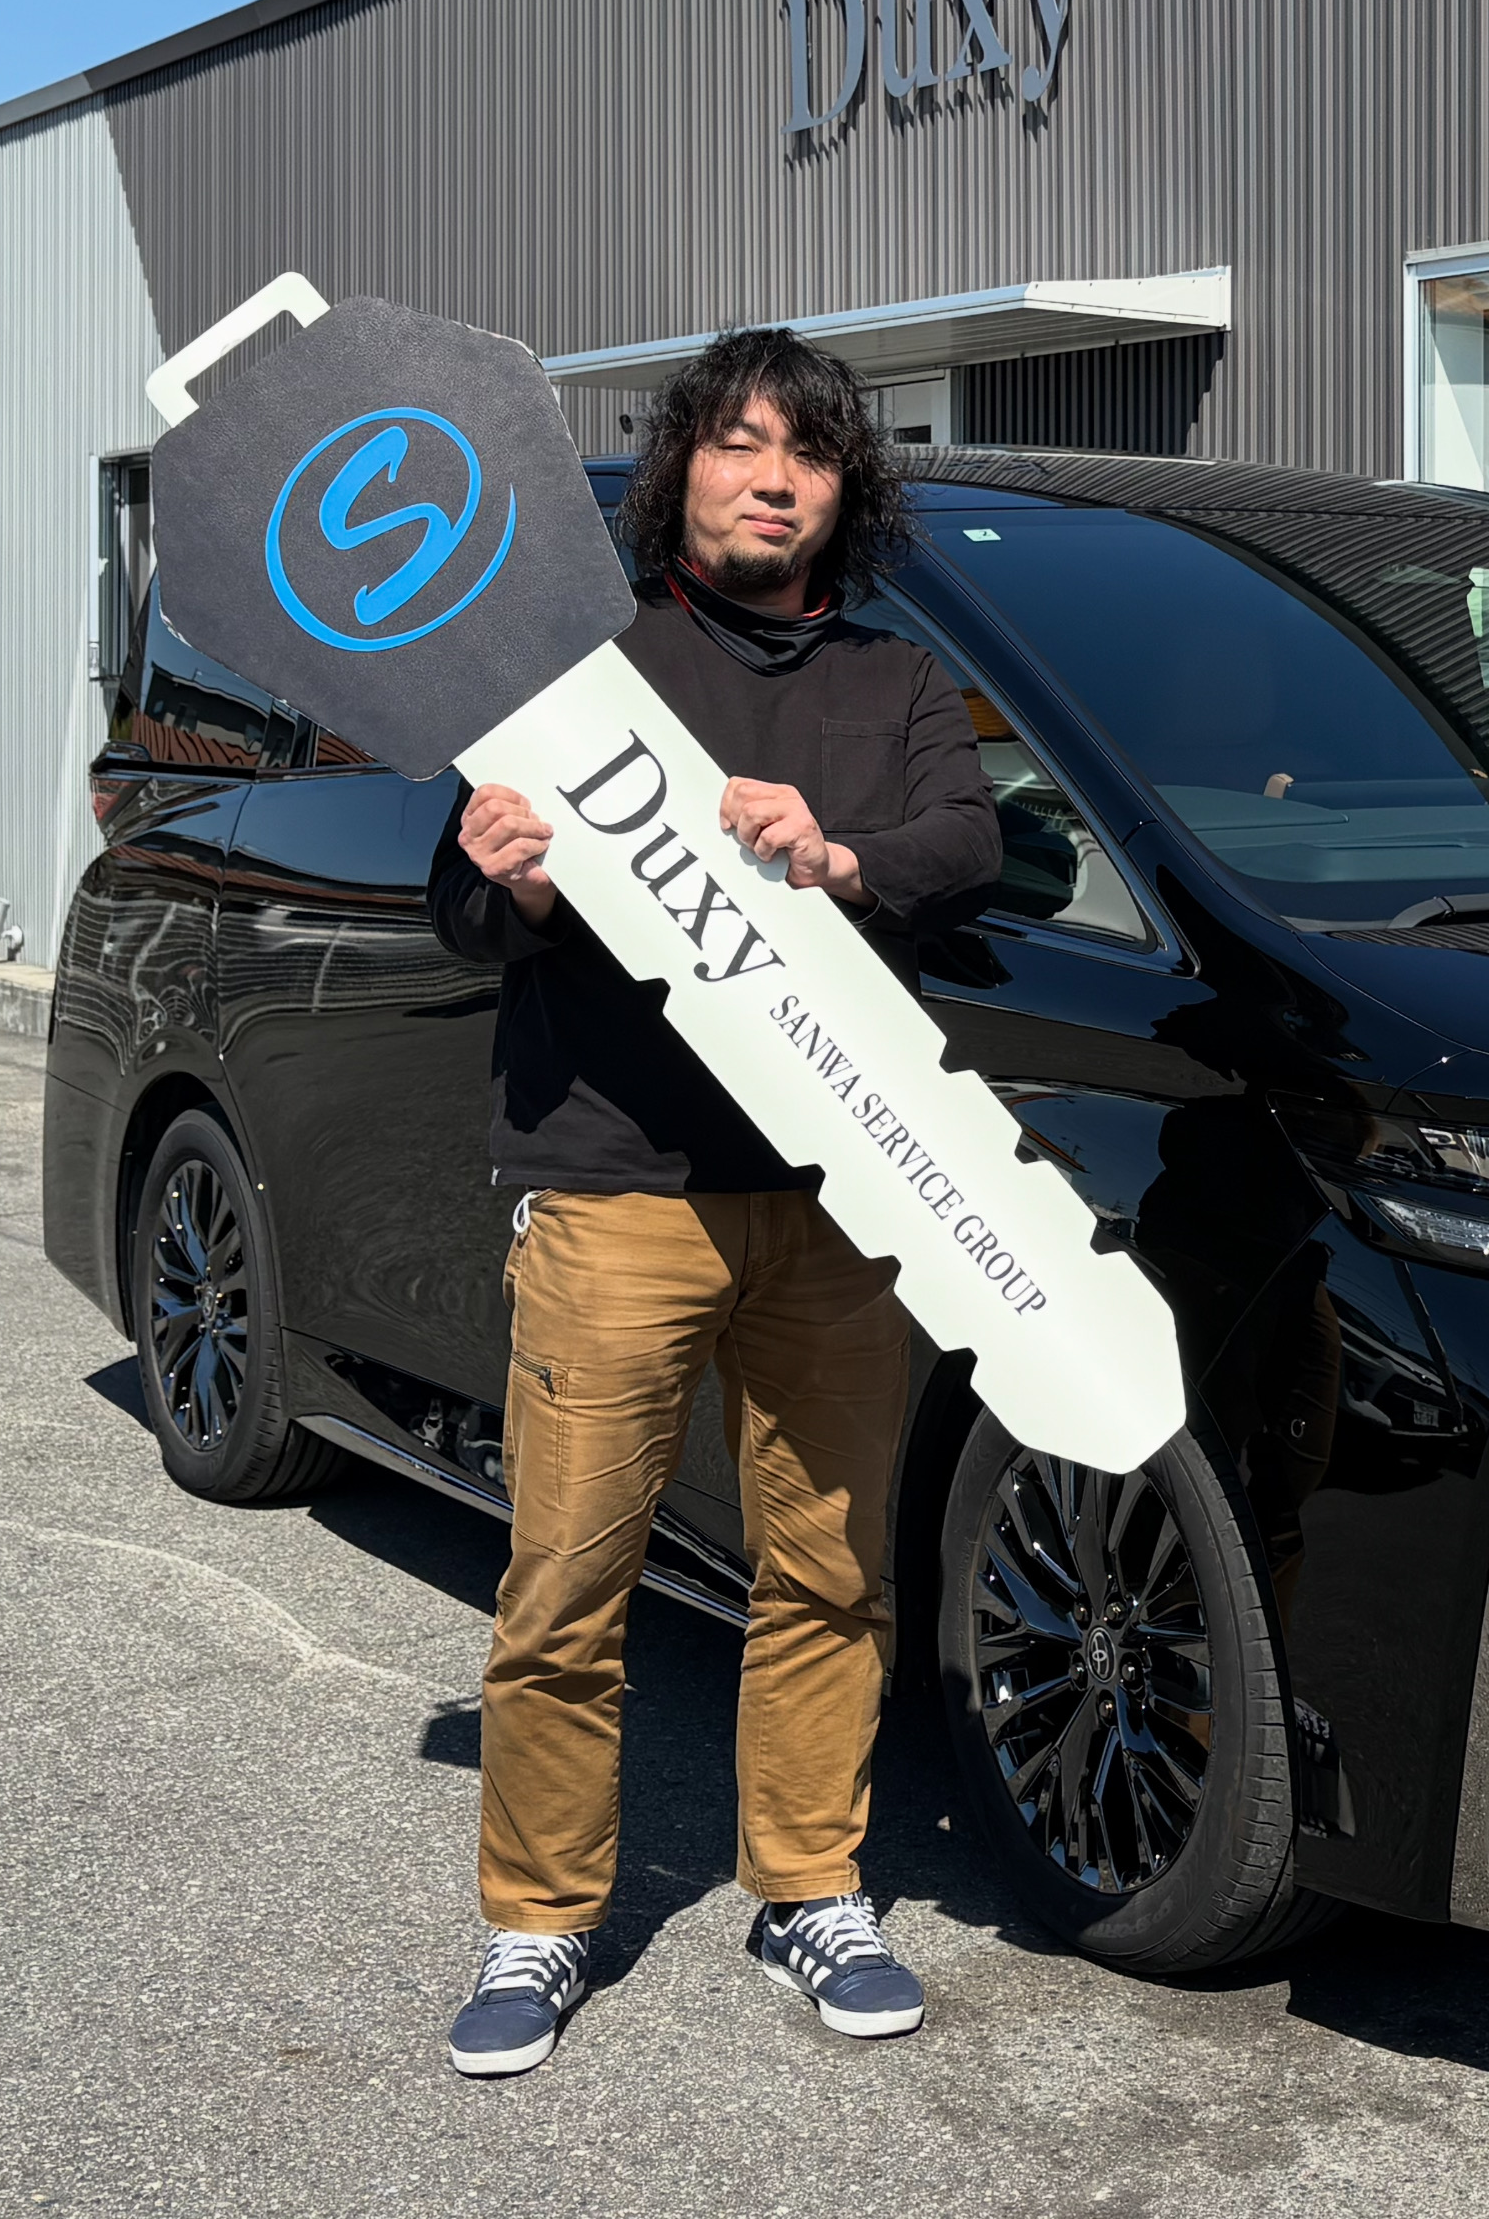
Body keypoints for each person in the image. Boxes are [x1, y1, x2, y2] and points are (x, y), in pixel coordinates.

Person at [423, 326, 1001, 2078]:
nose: (771, 479)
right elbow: (462, 914)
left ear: (846, 491)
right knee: (566, 1579)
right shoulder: (578, 672)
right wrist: (510, 881)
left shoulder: (895, 682)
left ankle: (807, 1889)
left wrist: (841, 857)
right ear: (680, 465)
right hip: (615, 1185)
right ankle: (539, 1920)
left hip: (838, 1189)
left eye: (808, 455)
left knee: (828, 1570)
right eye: (739, 443)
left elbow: (974, 847)